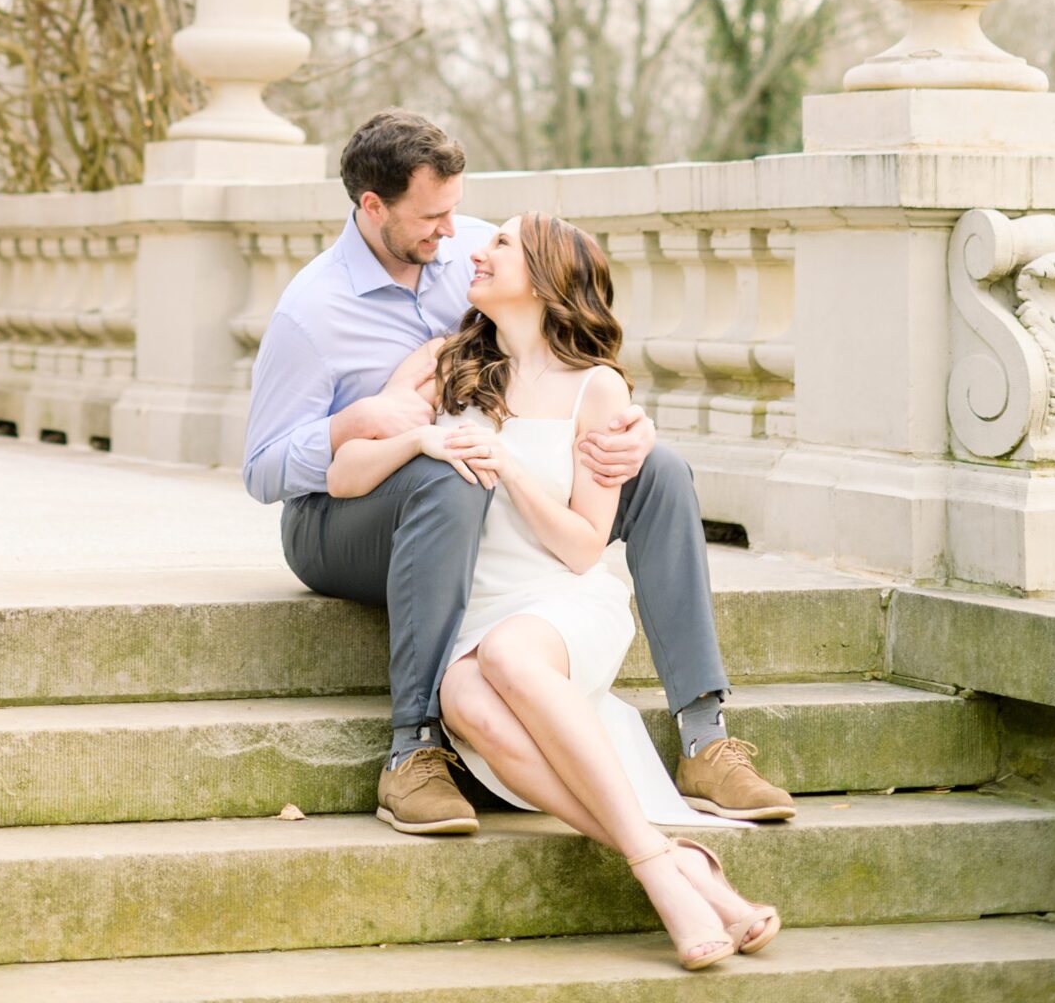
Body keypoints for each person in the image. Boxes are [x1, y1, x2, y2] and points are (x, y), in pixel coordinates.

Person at [243, 109, 794, 840]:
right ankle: (413, 748)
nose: (453, 235)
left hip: (480, 489)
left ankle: (703, 735)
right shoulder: (311, 312)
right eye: (431, 217)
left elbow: (562, 353)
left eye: (457, 211)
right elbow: (263, 470)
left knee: (658, 471)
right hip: (345, 516)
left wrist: (627, 424)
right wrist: (363, 423)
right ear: (371, 206)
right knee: (450, 471)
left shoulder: (476, 253)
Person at [330, 208, 781, 970]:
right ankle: (674, 861)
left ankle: (657, 876)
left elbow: (580, 549)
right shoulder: (442, 364)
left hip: (562, 606)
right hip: (472, 608)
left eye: (501, 243)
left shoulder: (596, 390)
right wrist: (418, 438)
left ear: (544, 278)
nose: (479, 250)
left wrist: (505, 465)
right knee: (462, 697)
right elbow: (343, 476)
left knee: (507, 657)